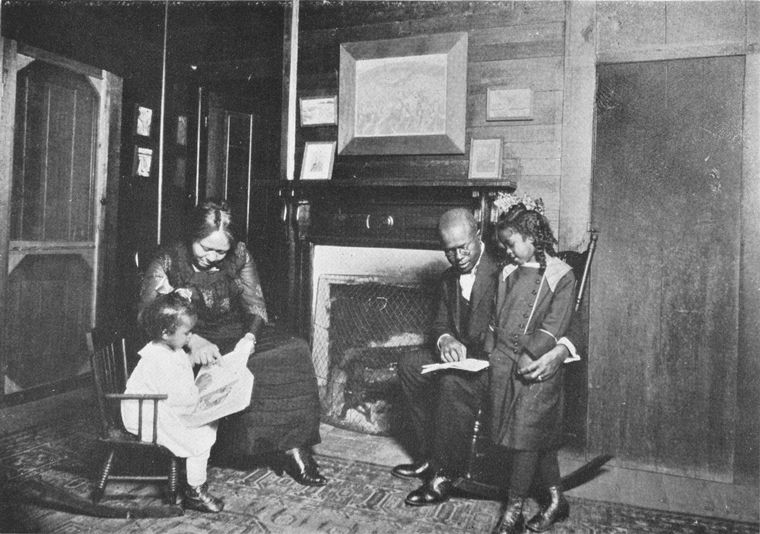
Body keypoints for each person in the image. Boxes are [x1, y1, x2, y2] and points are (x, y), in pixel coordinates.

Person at [394, 207, 579, 508]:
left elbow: (563, 318)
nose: (458, 257)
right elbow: (440, 323)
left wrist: (558, 351)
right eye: (449, 251)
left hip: (495, 361)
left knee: (453, 384)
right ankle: (431, 455)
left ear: (477, 234)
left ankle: (444, 474)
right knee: (409, 366)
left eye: (463, 247)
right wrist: (445, 340)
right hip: (461, 356)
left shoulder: (506, 265)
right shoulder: (447, 277)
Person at [138, 200, 327, 487]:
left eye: (220, 251)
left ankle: (294, 446)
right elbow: (148, 315)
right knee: (243, 366)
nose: (212, 257)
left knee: (293, 350)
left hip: (234, 331)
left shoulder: (239, 256)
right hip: (189, 334)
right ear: (192, 236)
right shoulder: (167, 260)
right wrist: (192, 340)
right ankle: (250, 445)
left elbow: (256, 306)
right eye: (205, 247)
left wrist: (248, 341)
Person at [490, 205, 575, 534]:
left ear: (530, 238)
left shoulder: (560, 275)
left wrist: (532, 351)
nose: (508, 252)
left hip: (538, 368)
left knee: (526, 437)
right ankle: (556, 501)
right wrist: (491, 353)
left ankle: (513, 512)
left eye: (512, 244)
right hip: (504, 363)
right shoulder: (509, 272)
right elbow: (497, 318)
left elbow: (556, 322)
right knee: (526, 436)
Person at [121, 291, 225, 513]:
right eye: (187, 333)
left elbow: (179, 374)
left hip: (158, 407)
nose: (190, 338)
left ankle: (192, 482)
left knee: (205, 424)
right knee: (201, 431)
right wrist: (201, 387)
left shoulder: (168, 347)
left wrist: (191, 361)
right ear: (166, 332)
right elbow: (180, 399)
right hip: (144, 414)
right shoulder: (158, 359)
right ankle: (195, 490)